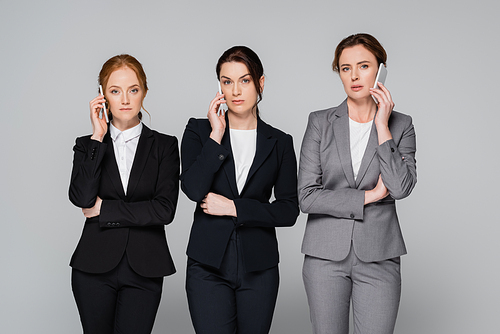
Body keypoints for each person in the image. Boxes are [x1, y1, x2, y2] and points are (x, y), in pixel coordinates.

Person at [298, 33, 417, 334]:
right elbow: (307, 197)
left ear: (381, 69)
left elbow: (401, 187)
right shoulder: (319, 122)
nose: (354, 76)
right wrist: (370, 196)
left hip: (379, 254)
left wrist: (382, 127)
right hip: (325, 256)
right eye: (345, 68)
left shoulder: (401, 125)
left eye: (363, 66)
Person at [180, 46, 299, 334]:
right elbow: (193, 189)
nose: (236, 90)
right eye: (227, 81)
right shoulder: (199, 131)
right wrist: (216, 135)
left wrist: (234, 208)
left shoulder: (279, 141)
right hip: (207, 266)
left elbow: (288, 210)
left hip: (259, 268)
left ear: (260, 83)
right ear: (219, 85)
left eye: (245, 80)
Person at [68, 54, 179, 334]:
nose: (125, 99)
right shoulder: (87, 145)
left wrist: (105, 210)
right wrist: (97, 136)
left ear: (144, 92)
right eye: (115, 91)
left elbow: (164, 210)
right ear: (103, 96)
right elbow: (81, 198)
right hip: (93, 268)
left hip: (146, 267)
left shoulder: (164, 146)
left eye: (133, 89)